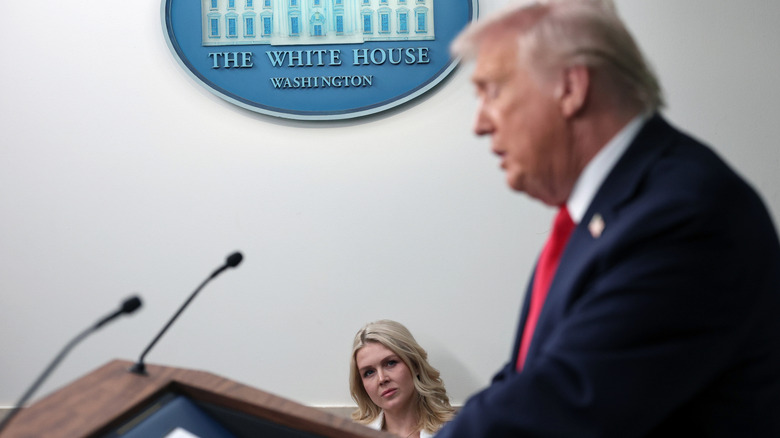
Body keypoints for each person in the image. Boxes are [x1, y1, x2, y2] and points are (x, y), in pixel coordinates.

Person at [435, 0, 780, 437]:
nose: (479, 124)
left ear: (570, 87)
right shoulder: (604, 216)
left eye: (493, 91)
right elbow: (525, 377)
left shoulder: (684, 214)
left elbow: (564, 403)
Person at [350, 320, 455, 438]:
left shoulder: (456, 431)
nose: (382, 379)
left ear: (415, 364)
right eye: (369, 372)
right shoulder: (354, 434)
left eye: (390, 363)